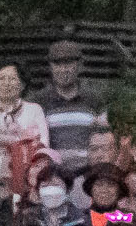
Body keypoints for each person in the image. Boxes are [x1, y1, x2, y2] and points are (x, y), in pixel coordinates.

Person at [0, 65, 49, 198]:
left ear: (23, 84)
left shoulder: (34, 110)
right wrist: (21, 143)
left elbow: (42, 148)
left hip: (26, 188)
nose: (6, 83)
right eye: (1, 78)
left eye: (12, 79)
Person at [36, 40, 108, 181]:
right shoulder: (39, 101)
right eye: (58, 64)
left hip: (88, 174)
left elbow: (104, 139)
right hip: (51, 176)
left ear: (79, 66)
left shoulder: (94, 99)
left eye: (69, 64)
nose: (63, 70)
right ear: (50, 67)